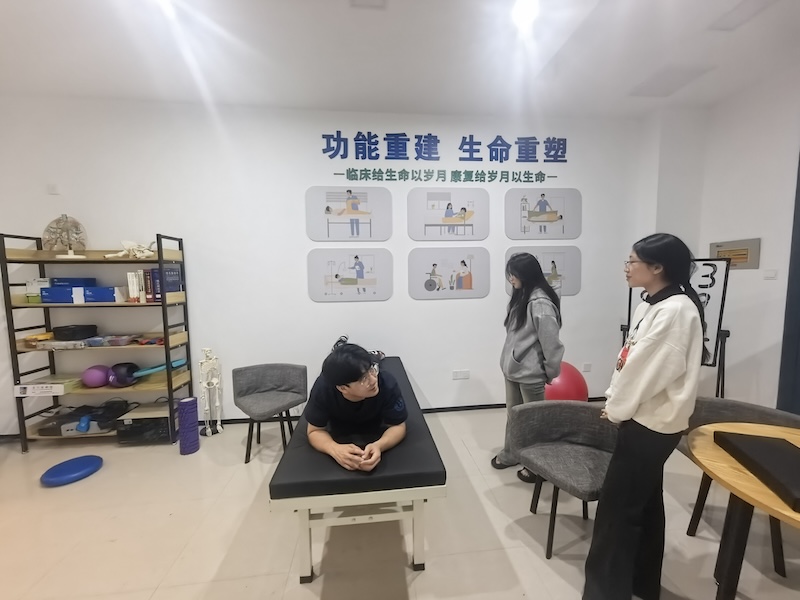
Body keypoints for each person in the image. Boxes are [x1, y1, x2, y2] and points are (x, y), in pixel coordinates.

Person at [583, 233, 708, 600]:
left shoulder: (676, 311)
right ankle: (640, 584)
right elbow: (630, 360)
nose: (626, 268)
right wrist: (617, 401)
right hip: (645, 418)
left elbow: (646, 373)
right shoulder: (650, 304)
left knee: (617, 512)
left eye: (632, 261)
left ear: (657, 267)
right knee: (644, 504)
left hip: (651, 424)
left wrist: (616, 408)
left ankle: (606, 592)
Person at [492, 253, 564, 481]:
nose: (511, 279)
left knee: (534, 421)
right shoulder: (523, 296)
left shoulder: (540, 303)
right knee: (514, 416)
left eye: (514, 275)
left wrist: (550, 371)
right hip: (513, 370)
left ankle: (538, 466)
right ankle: (511, 454)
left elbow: (551, 343)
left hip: (530, 373)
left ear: (526, 274)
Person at [304, 339, 408, 471]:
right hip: (340, 422)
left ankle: (374, 357)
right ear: (343, 388)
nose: (373, 380)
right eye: (363, 379)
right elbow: (314, 431)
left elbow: (398, 426)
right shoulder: (323, 389)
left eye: (372, 370)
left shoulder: (386, 383)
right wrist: (333, 448)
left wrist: (379, 446)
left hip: (373, 421)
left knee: (373, 363)